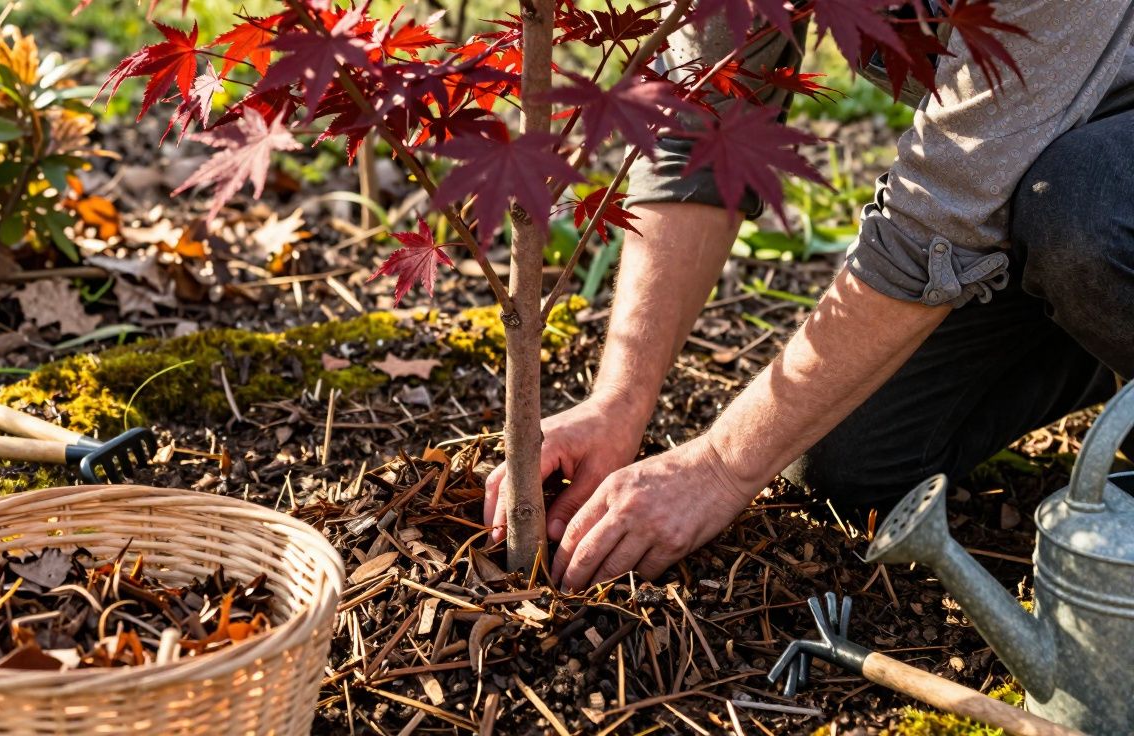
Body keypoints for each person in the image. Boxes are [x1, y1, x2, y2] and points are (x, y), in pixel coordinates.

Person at [484, 1, 1134, 591]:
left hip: (1095, 189)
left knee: (1083, 214)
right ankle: (1101, 335)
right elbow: (701, 123)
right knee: (851, 460)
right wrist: (619, 401)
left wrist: (718, 466)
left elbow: (934, 220)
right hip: (1043, 167)